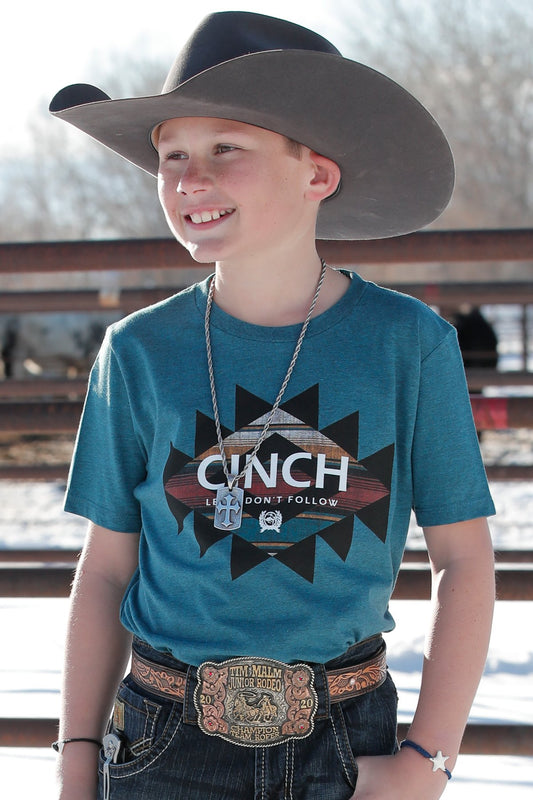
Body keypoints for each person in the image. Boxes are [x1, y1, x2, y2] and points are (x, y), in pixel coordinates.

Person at [49, 11, 495, 800]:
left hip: (347, 742)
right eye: (171, 155)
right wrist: (77, 759)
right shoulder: (139, 350)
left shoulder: (408, 343)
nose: (190, 179)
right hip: (165, 743)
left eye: (227, 148)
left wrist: (428, 761)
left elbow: (462, 561)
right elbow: (106, 570)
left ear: (316, 176)